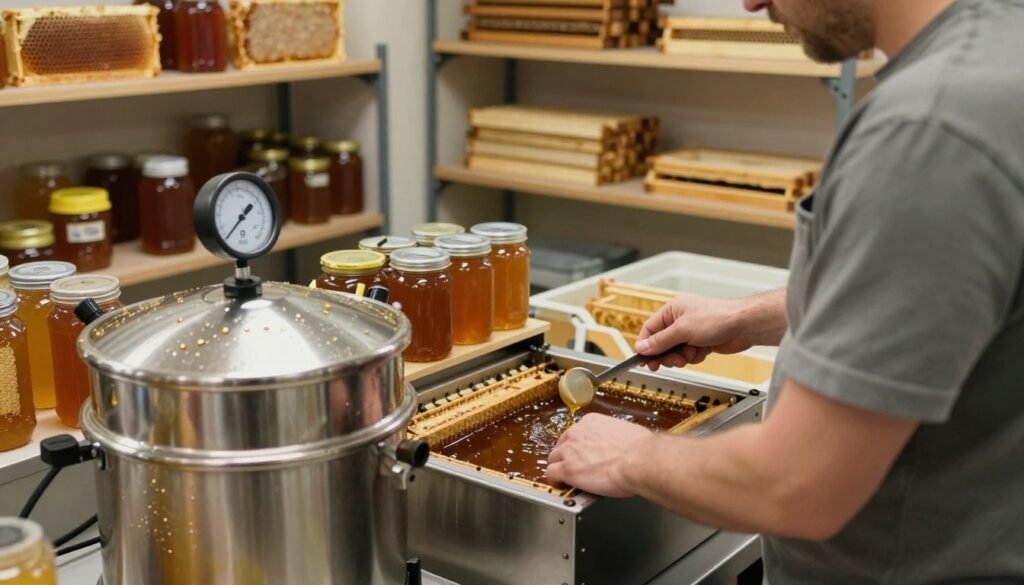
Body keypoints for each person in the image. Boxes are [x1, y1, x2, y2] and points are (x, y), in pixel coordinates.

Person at [547, 0, 1024, 582]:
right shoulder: (1000, 52)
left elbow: (797, 485)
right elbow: (951, 298)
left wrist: (632, 456)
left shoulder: (925, 130)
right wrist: (754, 316)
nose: (750, 2)